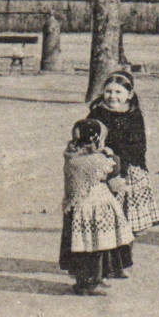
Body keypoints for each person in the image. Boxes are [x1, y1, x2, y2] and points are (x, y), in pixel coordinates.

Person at [59, 118, 134, 297]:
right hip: (92, 206)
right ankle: (90, 283)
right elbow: (114, 168)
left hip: (77, 206)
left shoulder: (73, 156)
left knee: (84, 246)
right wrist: (110, 154)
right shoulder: (96, 160)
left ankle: (88, 280)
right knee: (94, 246)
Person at [88, 70, 159, 241]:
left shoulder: (133, 116)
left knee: (127, 223)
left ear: (129, 94)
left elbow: (138, 147)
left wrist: (119, 166)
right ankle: (105, 261)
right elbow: (86, 139)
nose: (112, 96)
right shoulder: (97, 114)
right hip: (102, 170)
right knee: (105, 221)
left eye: (118, 92)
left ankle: (125, 259)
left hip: (129, 171)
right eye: (108, 91)